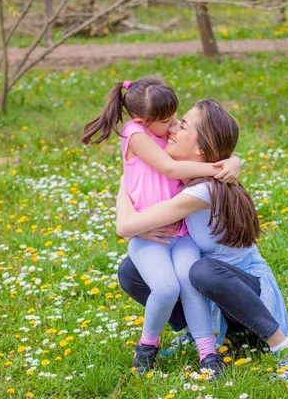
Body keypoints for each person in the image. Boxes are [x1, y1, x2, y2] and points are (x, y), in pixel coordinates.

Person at [116, 99, 288, 380]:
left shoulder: (202, 191)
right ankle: (196, 333)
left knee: (202, 270)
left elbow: (124, 226)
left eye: (183, 125)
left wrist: (125, 194)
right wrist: (233, 160)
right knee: (131, 271)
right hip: (212, 294)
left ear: (200, 150)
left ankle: (286, 349)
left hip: (246, 297)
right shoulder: (189, 178)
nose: (172, 129)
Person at [83, 78, 241, 374]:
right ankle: (147, 347)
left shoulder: (161, 137)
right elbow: (169, 169)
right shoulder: (135, 135)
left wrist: (233, 159)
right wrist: (219, 168)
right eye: (167, 120)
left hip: (179, 234)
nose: (173, 125)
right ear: (143, 120)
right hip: (149, 236)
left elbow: (197, 151)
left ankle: (207, 352)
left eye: (175, 118)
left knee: (189, 283)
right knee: (166, 288)